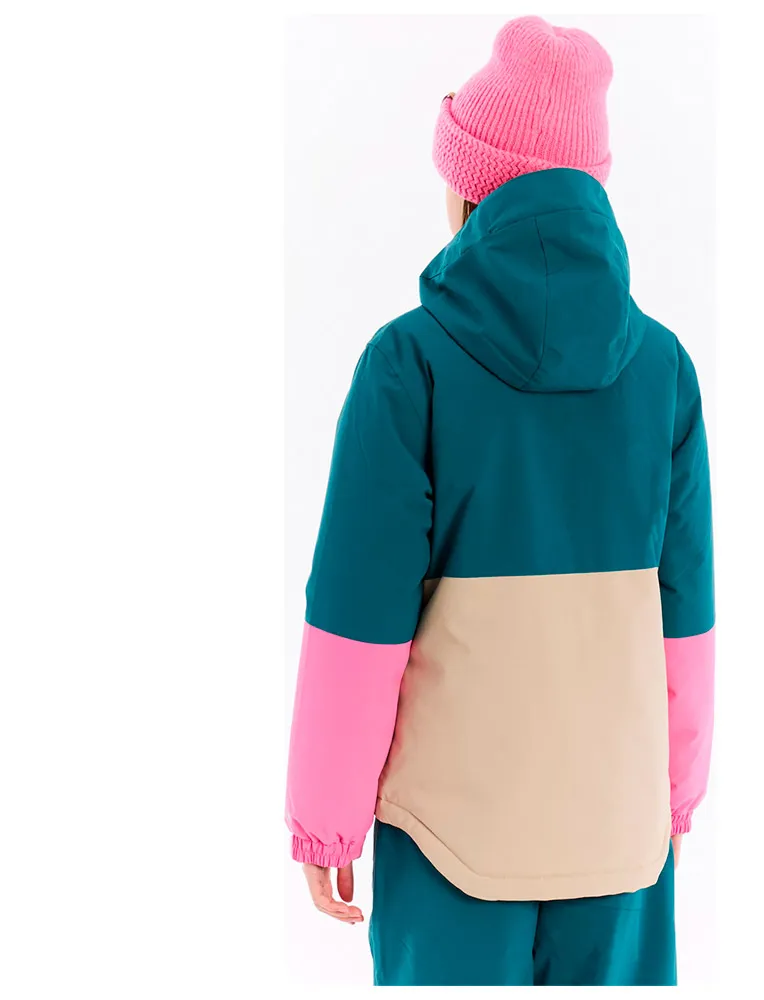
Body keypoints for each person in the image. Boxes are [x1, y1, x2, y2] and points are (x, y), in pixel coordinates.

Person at [285, 15, 714, 987]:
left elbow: (357, 617)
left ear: (469, 190)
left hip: (449, 842)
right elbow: (686, 620)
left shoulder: (408, 367)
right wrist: (675, 799)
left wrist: (326, 816)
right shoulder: (664, 372)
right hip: (619, 840)